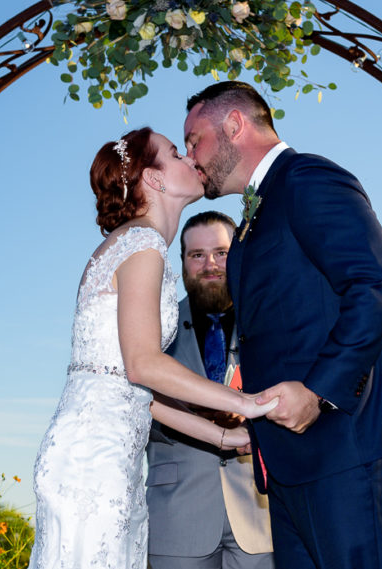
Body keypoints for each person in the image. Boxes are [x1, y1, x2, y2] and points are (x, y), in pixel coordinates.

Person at [182, 81, 382, 569]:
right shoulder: (253, 218)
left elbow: (376, 283)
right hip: (288, 461)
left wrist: (318, 391)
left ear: (234, 125)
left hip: (348, 445)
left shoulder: (308, 178)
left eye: (195, 140)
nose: (191, 155)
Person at [29, 127, 278, 569]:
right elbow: (144, 365)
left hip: (105, 453)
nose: (188, 157)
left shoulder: (136, 244)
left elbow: (135, 393)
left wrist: (224, 435)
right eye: (173, 153)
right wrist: (249, 403)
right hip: (93, 464)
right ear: (155, 180)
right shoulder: (143, 246)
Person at [146, 211, 274, 569]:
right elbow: (133, 403)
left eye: (221, 252)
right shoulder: (154, 325)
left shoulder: (270, 320)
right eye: (197, 255)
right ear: (183, 263)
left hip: (261, 514)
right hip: (176, 514)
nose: (210, 264)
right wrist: (193, 416)